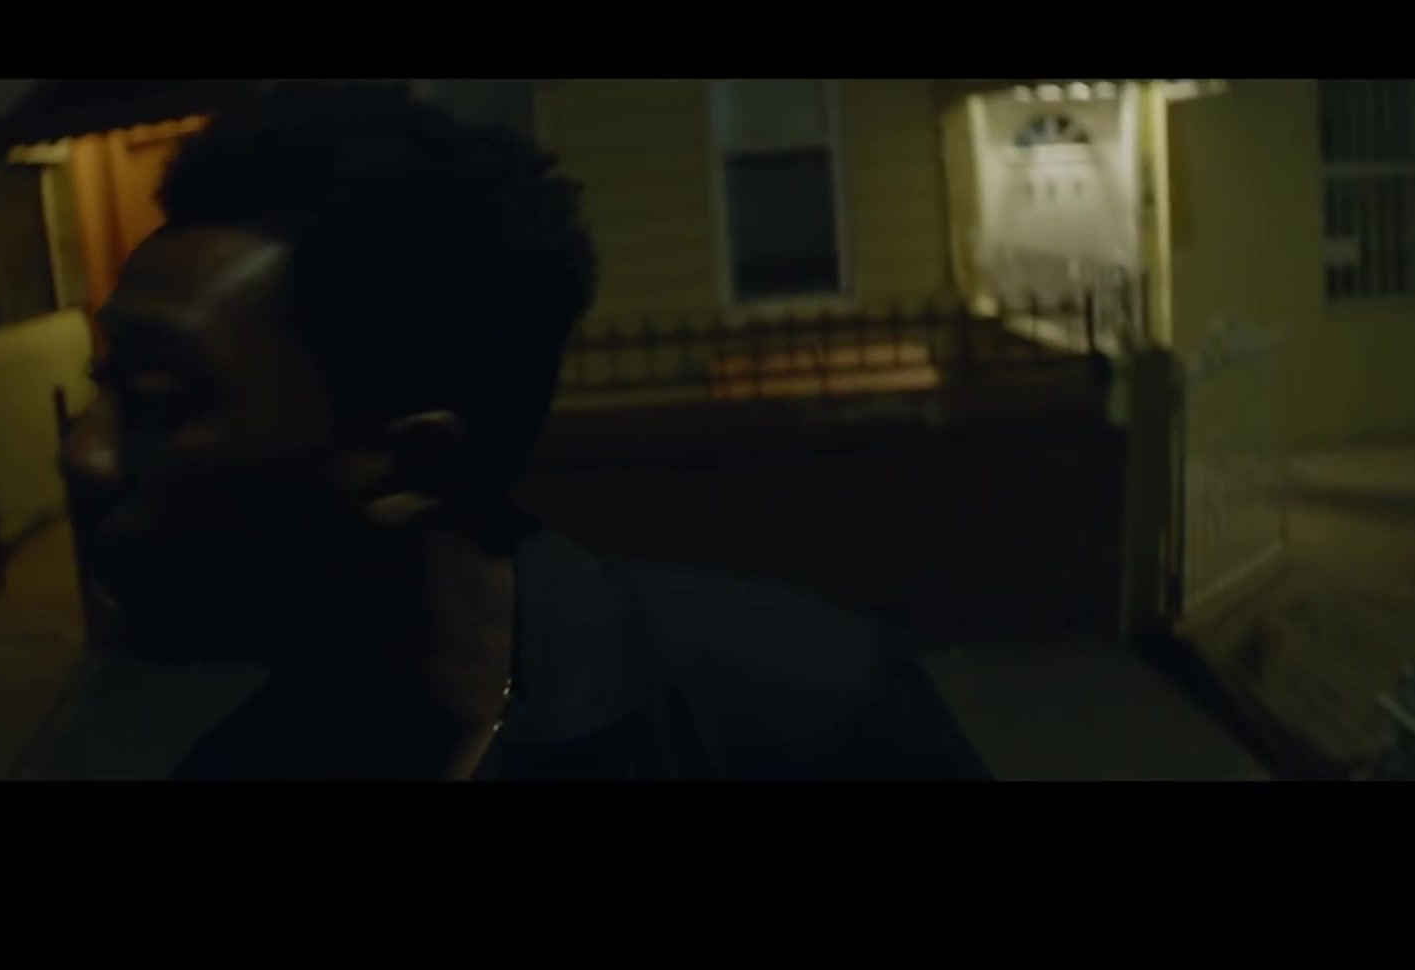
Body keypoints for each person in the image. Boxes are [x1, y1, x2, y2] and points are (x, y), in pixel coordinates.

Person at [58, 81, 990, 781]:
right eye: (103, 385)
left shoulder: (800, 717)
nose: (84, 453)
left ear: (412, 465)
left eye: (156, 398)